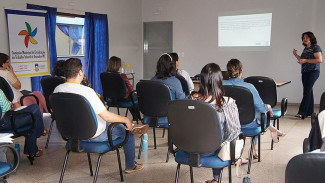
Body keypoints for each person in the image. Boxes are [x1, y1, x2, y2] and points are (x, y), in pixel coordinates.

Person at [54, 58, 148, 173]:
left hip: (71, 135)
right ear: (80, 72)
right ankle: (131, 166)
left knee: (110, 123)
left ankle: (134, 128)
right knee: (127, 132)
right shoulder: (87, 91)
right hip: (94, 134)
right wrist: (125, 120)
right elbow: (106, 116)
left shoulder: (57, 90)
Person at [223, 58, 285, 158]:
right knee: (260, 114)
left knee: (256, 114)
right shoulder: (249, 87)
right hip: (247, 124)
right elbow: (261, 109)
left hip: (227, 124)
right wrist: (268, 107)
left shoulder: (221, 85)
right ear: (241, 70)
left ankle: (271, 130)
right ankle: (256, 146)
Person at [190, 63, 241, 183]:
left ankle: (216, 178)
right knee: (223, 137)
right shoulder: (227, 103)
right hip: (212, 150)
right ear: (219, 81)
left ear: (201, 80)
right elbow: (233, 132)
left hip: (188, 149)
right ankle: (216, 178)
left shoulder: (190, 100)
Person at [142, 53, 186, 126]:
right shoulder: (175, 81)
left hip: (151, 118)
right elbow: (182, 100)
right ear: (172, 66)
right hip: (169, 118)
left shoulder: (152, 80)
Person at [0, 89, 44, 157]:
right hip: (4, 123)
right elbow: (7, 107)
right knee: (35, 109)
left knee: (33, 118)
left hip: (4, 120)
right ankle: (40, 133)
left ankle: (32, 151)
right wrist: (11, 104)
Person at [293, 31, 322, 119]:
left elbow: (319, 60)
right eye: (303, 38)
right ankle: (310, 112)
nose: (305, 39)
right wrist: (296, 55)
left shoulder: (316, 47)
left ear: (311, 38)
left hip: (313, 71)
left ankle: (302, 112)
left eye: (307, 37)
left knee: (307, 91)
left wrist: (305, 61)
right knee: (309, 91)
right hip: (305, 72)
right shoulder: (305, 49)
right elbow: (302, 59)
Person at [105, 56, 141, 121]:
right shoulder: (122, 76)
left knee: (132, 98)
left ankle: (136, 118)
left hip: (112, 100)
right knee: (138, 97)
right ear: (118, 66)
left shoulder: (104, 75)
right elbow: (131, 89)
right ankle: (138, 119)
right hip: (123, 100)